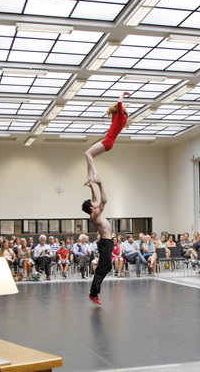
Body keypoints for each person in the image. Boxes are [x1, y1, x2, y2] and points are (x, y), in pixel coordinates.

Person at [84, 92, 130, 184]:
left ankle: (94, 173)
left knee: (87, 153)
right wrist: (112, 110)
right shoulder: (118, 118)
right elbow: (116, 111)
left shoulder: (121, 117)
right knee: (90, 155)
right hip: (109, 142)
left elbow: (119, 103)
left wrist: (122, 94)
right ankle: (89, 177)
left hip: (108, 141)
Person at [82, 179, 112, 307]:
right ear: (91, 208)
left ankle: (94, 291)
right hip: (105, 242)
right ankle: (93, 294)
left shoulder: (94, 212)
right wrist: (100, 184)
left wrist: (91, 187)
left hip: (106, 242)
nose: (95, 202)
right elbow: (104, 200)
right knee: (101, 269)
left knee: (108, 267)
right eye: (93, 203)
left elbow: (95, 198)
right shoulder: (95, 215)